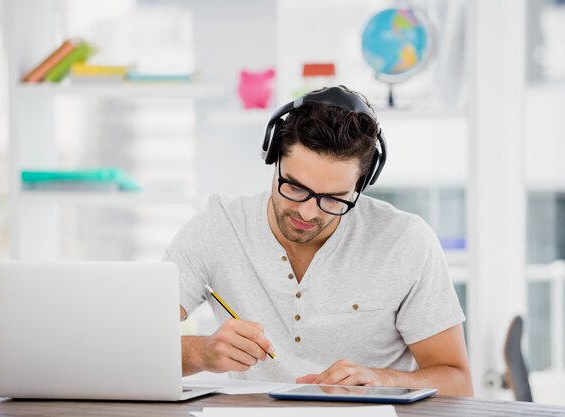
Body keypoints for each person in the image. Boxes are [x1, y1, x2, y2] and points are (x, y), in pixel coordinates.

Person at [164, 85, 473, 396]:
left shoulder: (406, 241)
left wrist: (384, 380)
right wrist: (201, 353)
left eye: (333, 199)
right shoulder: (220, 226)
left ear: (361, 185)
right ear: (273, 157)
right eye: (296, 188)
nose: (308, 212)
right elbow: (128, 347)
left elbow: (459, 384)